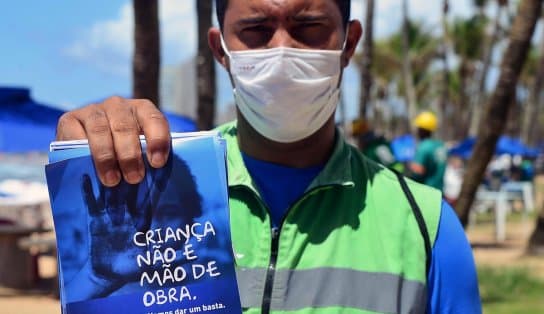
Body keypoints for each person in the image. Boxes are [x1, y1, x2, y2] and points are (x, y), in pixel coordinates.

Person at [56, 0, 481, 313]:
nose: (282, 50)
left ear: (348, 43)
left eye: (309, 26)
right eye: (257, 29)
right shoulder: (151, 193)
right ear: (221, 49)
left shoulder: (426, 227)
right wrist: (86, 168)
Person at [408, 111, 448, 191]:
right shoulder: (441, 146)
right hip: (439, 192)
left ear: (421, 129)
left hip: (426, 192)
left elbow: (417, 171)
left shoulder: (424, 147)